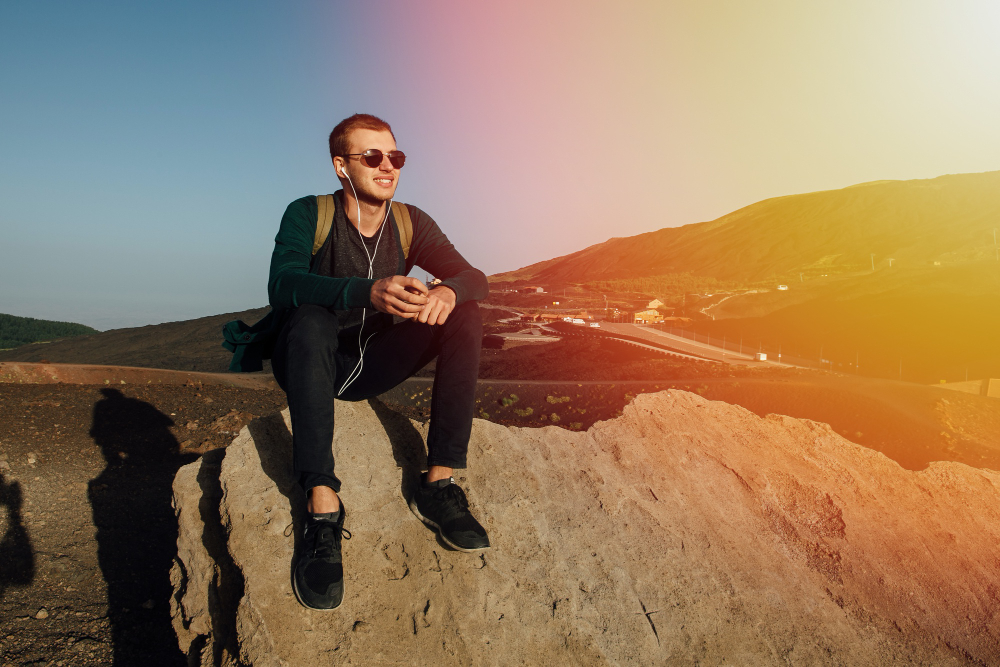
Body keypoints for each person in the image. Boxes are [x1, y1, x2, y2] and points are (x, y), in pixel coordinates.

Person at [268, 113, 490, 611]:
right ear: (341, 167)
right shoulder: (309, 213)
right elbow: (281, 283)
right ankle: (322, 505)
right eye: (372, 156)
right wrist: (365, 291)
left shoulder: (411, 222)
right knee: (310, 317)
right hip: (308, 360)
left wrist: (449, 291)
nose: (387, 165)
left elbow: (475, 275)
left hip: (369, 365)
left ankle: (438, 482)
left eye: (395, 157)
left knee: (466, 313)